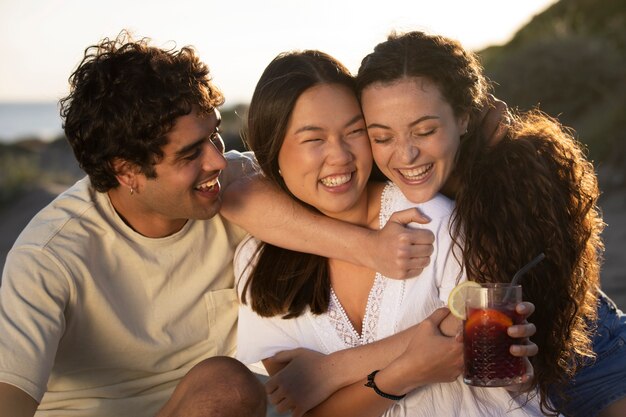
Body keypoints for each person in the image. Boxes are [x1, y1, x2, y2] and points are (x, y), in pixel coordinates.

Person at [0, 32, 440, 417]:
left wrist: (482, 136)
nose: (217, 160)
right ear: (126, 172)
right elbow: (10, 393)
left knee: (225, 388)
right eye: (190, 154)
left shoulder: (230, 194)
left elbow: (356, 169)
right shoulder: (50, 256)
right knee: (225, 386)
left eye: (214, 135)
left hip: (211, 405)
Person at [238, 31, 626, 417]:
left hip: (589, 350)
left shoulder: (500, 190)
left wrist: (331, 370)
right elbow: (237, 194)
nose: (405, 154)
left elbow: (467, 334)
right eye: (380, 135)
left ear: (463, 118)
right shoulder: (277, 242)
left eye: (425, 131)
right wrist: (366, 247)